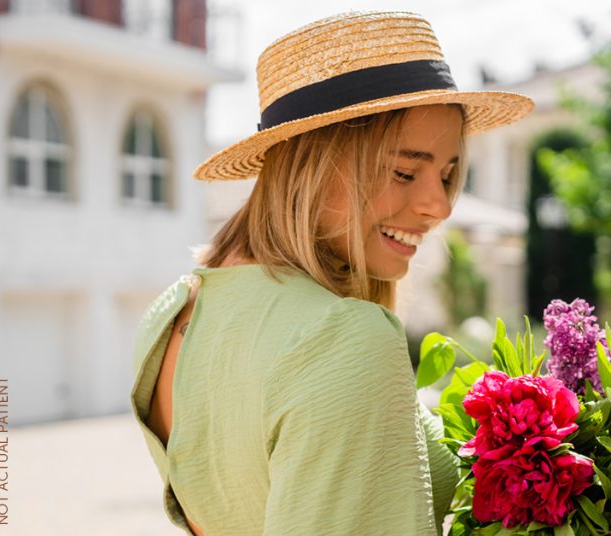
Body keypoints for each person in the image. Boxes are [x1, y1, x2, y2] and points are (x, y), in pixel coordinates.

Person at [127, 10, 533, 535]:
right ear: (314, 163)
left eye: (449, 175)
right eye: (405, 172)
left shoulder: (171, 313)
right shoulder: (341, 338)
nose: (439, 205)